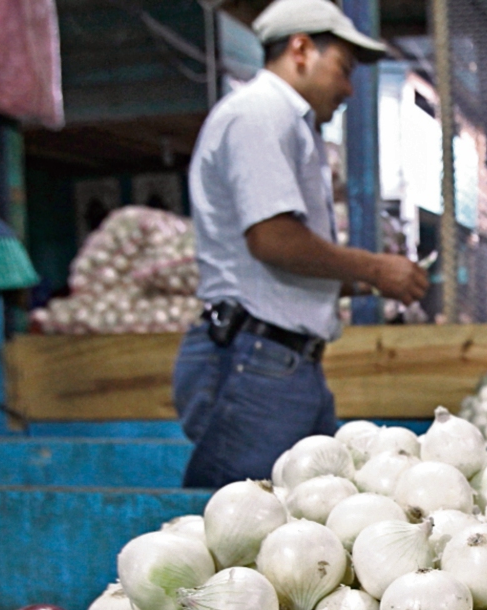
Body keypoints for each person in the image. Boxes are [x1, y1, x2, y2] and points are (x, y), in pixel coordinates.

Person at [174, 0, 429, 488]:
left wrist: (367, 283)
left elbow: (280, 268)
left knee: (310, 514)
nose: (349, 88)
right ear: (301, 49)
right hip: (257, 363)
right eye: (344, 69)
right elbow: (274, 240)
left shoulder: (291, 125)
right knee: (240, 525)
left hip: (282, 363)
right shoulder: (260, 114)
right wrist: (375, 268)